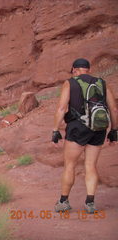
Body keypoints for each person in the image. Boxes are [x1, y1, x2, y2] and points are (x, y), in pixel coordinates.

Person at [52, 58, 118, 214]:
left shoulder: (70, 83)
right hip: (98, 128)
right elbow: (114, 109)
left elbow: (62, 108)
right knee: (91, 166)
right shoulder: (102, 83)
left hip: (77, 128)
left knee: (70, 165)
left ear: (75, 70)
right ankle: (90, 203)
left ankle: (63, 201)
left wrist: (55, 130)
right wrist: (114, 131)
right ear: (89, 69)